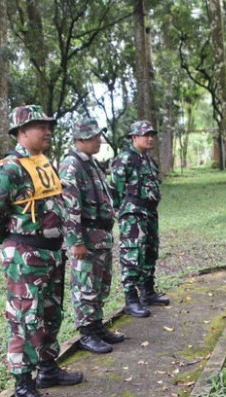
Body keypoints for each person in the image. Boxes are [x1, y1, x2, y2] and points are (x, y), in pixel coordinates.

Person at [0, 105, 83, 397]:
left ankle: (48, 368)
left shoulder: (44, 163)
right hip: (25, 256)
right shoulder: (8, 169)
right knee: (24, 318)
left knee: (50, 313)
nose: (48, 130)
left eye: (49, 125)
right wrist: (10, 246)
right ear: (22, 132)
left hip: (51, 253)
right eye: (41, 125)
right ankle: (23, 386)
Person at [59, 117, 124, 354]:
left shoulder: (92, 164)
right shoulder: (72, 164)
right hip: (85, 237)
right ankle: (86, 333)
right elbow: (69, 206)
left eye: (98, 135)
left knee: (100, 284)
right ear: (81, 139)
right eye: (95, 136)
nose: (99, 140)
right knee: (85, 286)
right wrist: (75, 241)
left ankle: (97, 327)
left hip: (100, 236)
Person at [110, 120, 169, 318]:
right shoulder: (125, 158)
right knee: (132, 254)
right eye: (145, 135)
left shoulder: (149, 160)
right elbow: (115, 190)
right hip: (133, 214)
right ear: (134, 138)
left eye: (151, 135)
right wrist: (123, 211)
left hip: (150, 212)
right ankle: (131, 299)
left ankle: (148, 291)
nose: (150, 138)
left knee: (150, 251)